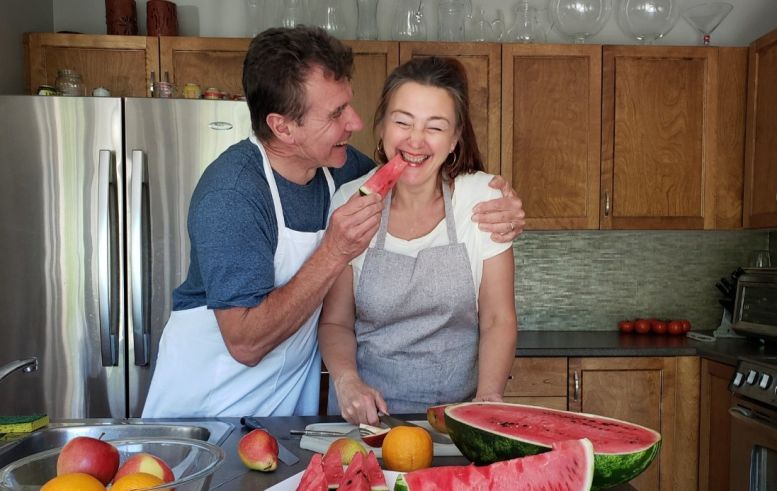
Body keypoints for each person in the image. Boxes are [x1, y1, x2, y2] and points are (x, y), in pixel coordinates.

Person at [142, 27, 524, 418]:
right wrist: (335, 250)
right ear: (284, 127)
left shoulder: (339, 170)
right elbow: (245, 344)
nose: (355, 122)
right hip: (207, 409)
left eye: (350, 105)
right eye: (337, 113)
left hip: (286, 412)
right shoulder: (231, 197)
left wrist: (509, 207)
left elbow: (411, 166)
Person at [318, 56, 518, 425]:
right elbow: (336, 323)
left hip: (458, 420)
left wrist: (489, 397)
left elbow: (497, 317)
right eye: (402, 122)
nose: (415, 140)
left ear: (456, 138)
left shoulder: (482, 199)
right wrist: (347, 383)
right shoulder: (351, 201)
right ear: (381, 128)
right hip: (366, 423)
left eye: (435, 127)